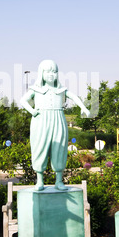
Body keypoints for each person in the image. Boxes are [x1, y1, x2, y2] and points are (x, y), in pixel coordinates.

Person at [20, 59, 91, 191]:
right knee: (39, 147)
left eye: (54, 72)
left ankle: (59, 180)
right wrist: (32, 111)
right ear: (41, 73)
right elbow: (23, 100)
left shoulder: (61, 90)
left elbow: (74, 97)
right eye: (48, 72)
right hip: (40, 120)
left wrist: (83, 108)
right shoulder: (36, 89)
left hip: (58, 119)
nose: (51, 75)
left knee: (59, 148)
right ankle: (39, 180)